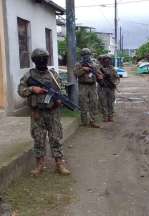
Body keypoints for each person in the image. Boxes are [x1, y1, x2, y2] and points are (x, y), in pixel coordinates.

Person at [18, 48, 71, 176]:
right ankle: (40, 165)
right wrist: (32, 88)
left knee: (56, 138)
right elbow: (21, 91)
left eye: (44, 59)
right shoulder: (29, 75)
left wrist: (60, 99)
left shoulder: (53, 74)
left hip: (53, 112)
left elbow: (62, 88)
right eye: (39, 59)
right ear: (35, 61)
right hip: (37, 113)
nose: (42, 61)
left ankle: (59, 164)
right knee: (39, 139)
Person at [74, 48, 101, 128]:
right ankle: (84, 121)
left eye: (88, 54)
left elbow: (98, 73)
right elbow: (76, 74)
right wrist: (83, 69)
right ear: (82, 56)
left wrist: (98, 74)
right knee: (83, 103)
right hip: (83, 86)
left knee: (93, 103)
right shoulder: (78, 64)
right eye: (85, 55)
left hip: (92, 86)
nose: (86, 56)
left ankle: (93, 121)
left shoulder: (94, 64)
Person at [97, 54, 119, 122]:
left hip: (111, 88)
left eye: (108, 60)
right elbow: (97, 78)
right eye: (105, 60)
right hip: (103, 88)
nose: (107, 61)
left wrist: (115, 83)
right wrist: (102, 76)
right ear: (103, 61)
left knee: (110, 103)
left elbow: (117, 78)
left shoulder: (112, 69)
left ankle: (110, 116)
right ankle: (105, 117)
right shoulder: (99, 69)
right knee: (103, 103)